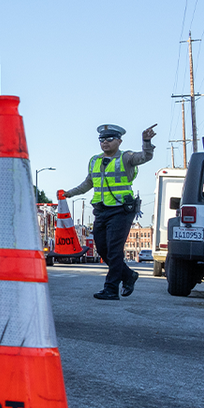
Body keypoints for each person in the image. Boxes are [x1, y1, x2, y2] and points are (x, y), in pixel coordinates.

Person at [62, 123, 156, 300]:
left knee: (114, 250)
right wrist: (70, 193)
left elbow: (145, 157)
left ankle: (111, 289)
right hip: (101, 211)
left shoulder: (126, 157)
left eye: (109, 139)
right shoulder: (95, 160)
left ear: (119, 141)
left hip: (121, 210)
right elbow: (88, 183)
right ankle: (128, 275)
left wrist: (146, 141)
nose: (105, 142)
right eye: (102, 140)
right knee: (103, 250)